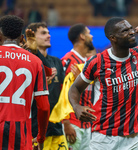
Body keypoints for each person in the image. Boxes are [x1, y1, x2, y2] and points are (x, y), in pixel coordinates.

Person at [68, 17, 138, 150]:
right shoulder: (97, 62)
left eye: (130, 28)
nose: (131, 32)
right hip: (104, 138)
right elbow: (75, 88)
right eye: (124, 31)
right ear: (113, 38)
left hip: (135, 137)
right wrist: (76, 107)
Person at [0, 15, 50, 150]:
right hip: (21, 135)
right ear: (22, 37)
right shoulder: (35, 62)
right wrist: (40, 138)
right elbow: (44, 107)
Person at [27, 22, 68, 150]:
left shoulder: (56, 61)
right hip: (35, 129)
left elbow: (62, 94)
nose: (49, 36)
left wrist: (66, 121)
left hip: (56, 128)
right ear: (32, 37)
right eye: (44, 33)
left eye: (49, 33)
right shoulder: (28, 61)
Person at [61, 23, 95, 150]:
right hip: (73, 124)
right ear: (82, 36)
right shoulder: (69, 61)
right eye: (88, 33)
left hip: (86, 124)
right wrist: (66, 122)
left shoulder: (87, 62)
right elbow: (61, 93)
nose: (91, 36)